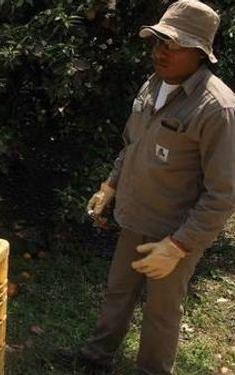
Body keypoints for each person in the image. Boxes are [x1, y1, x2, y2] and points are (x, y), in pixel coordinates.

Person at [69, 1, 235, 374]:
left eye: (175, 45)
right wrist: (109, 186)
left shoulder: (217, 109)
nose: (162, 51)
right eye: (160, 41)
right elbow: (134, 144)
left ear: (201, 53)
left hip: (175, 230)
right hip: (135, 214)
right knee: (118, 290)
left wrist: (177, 246)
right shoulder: (153, 84)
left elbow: (223, 194)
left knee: (161, 311)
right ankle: (96, 357)